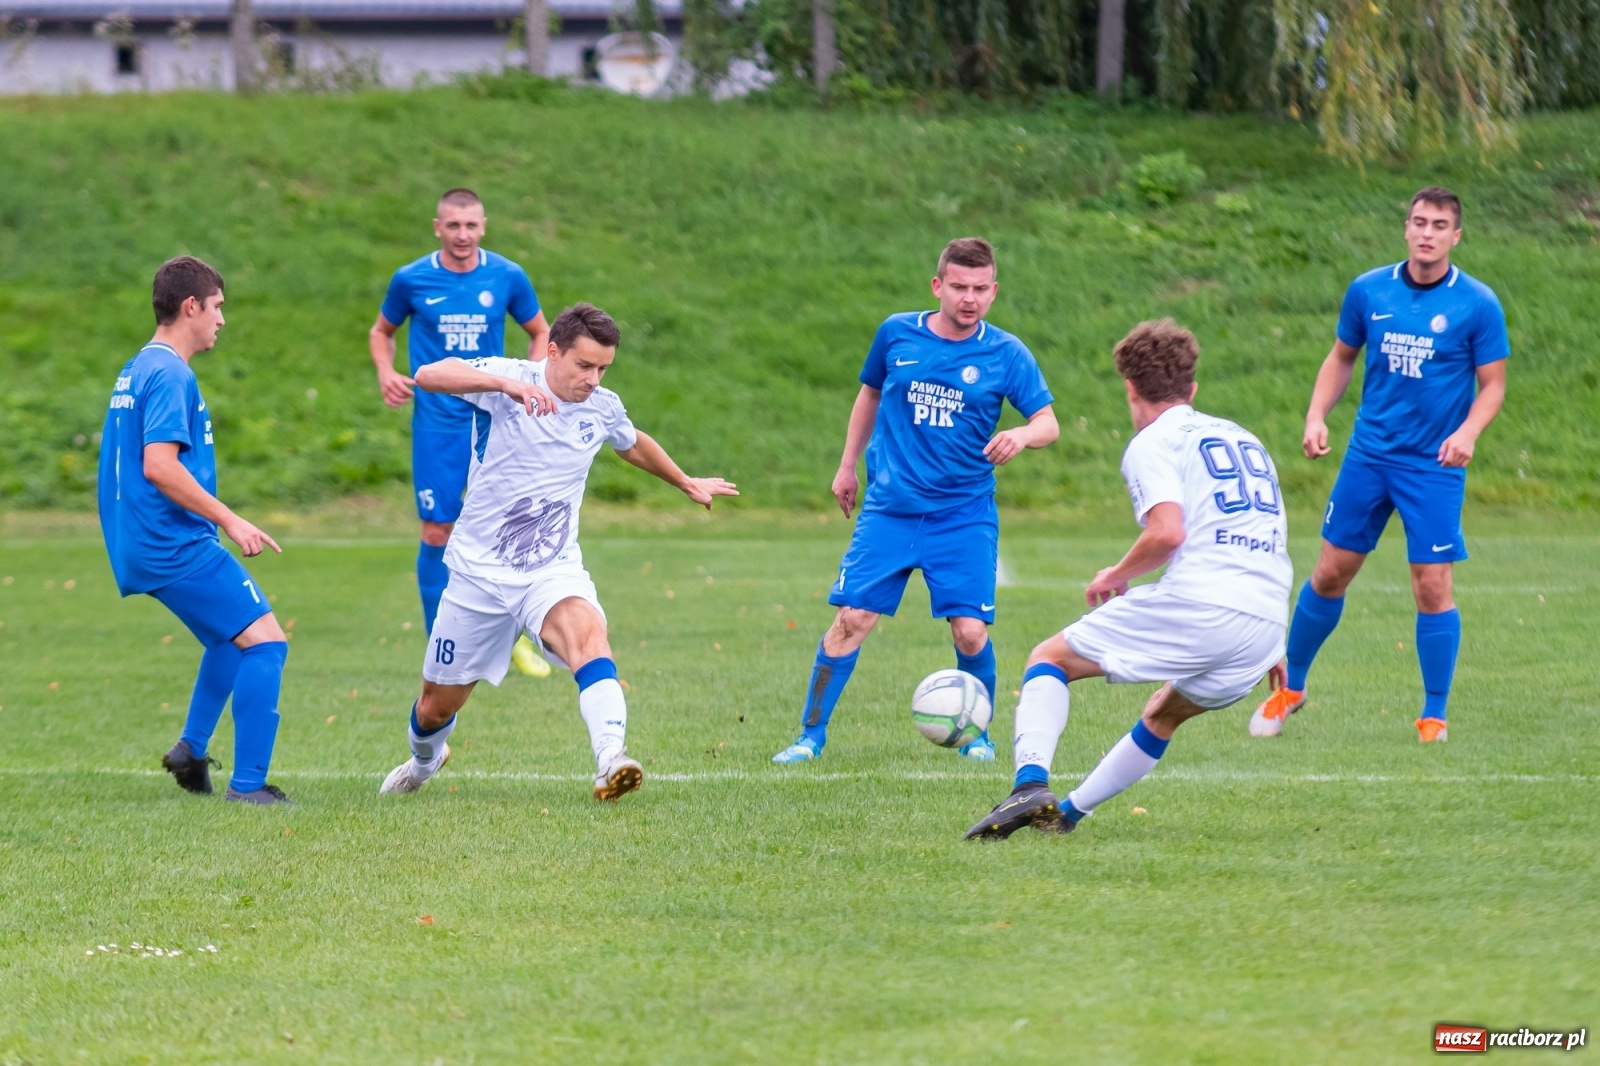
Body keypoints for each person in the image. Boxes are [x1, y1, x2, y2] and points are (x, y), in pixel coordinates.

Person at [378, 303, 738, 800]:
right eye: (584, 365)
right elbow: (427, 374)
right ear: (553, 351)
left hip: (550, 568)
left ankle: (611, 758)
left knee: (588, 636)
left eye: (603, 368)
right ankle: (424, 762)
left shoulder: (602, 406)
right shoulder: (511, 378)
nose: (593, 379)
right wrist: (505, 387)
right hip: (477, 574)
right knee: (435, 707)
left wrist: (684, 481)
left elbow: (631, 443)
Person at [965, 319, 1290, 840]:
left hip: (1206, 604)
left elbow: (1167, 533)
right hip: (1266, 616)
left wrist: (1115, 574)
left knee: (1049, 659)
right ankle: (1063, 818)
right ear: (1193, 388)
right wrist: (1269, 634)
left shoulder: (1154, 440)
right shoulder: (1241, 438)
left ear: (1130, 389)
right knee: (1163, 713)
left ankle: (1029, 785)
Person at [771, 237, 1059, 765]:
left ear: (993, 291)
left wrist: (1021, 435)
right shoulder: (896, 333)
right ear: (937, 286)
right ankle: (809, 736)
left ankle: (978, 735)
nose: (968, 298)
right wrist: (846, 466)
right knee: (851, 620)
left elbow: (1049, 422)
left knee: (971, 631)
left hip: (963, 515)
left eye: (979, 289)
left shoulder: (1006, 352)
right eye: (958, 287)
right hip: (890, 509)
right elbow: (870, 394)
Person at [1250, 187, 1509, 744]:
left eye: (1440, 225)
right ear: (1406, 227)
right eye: (1419, 221)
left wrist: (1468, 431)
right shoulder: (1369, 290)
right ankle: (1290, 689)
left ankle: (1433, 715)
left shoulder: (1478, 304)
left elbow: (1493, 387)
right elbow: (1342, 357)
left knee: (1432, 586)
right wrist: (1317, 415)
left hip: (1433, 466)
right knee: (1329, 572)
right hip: (1369, 456)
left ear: (1456, 236)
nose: (1427, 232)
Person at [98, 256, 292, 805]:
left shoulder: (138, 366)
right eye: (217, 308)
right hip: (172, 541)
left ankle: (191, 751)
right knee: (267, 645)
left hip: (148, 539)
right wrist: (228, 518)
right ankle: (249, 787)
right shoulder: (170, 373)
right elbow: (158, 464)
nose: (221, 321)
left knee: (228, 639)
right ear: (191, 307)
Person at [369, 187, 551, 677]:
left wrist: (526, 380)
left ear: (484, 226)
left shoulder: (507, 276)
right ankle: (440, 647)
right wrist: (387, 373)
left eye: (471, 225)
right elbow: (381, 332)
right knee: (437, 528)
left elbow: (542, 331)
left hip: (493, 421)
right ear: (438, 227)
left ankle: (513, 637)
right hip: (436, 423)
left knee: (508, 529)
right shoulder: (411, 279)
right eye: (453, 225)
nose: (463, 235)